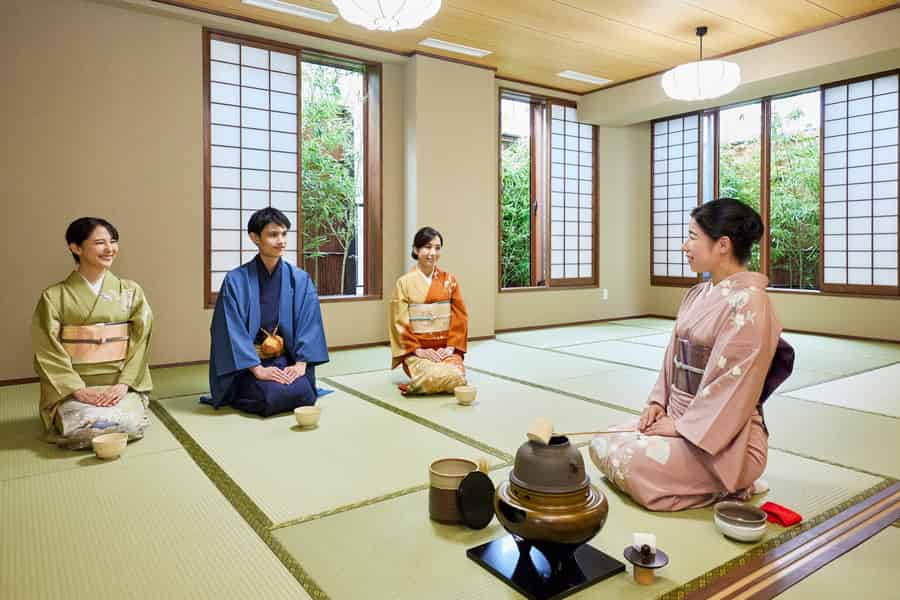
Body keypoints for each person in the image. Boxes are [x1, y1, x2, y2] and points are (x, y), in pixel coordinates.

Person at [590, 198, 792, 511]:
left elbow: (734, 386)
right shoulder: (697, 294)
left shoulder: (751, 304)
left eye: (693, 237)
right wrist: (658, 404)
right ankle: (697, 481)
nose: (685, 246)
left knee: (632, 461)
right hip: (678, 420)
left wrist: (682, 427)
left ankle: (732, 483)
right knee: (602, 442)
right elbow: (671, 359)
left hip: (726, 442)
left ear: (722, 245)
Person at [31, 217, 153, 449]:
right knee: (85, 425)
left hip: (119, 384)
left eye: (113, 241)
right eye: (100, 243)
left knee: (128, 423)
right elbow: (47, 349)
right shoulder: (54, 296)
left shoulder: (131, 291)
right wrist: (77, 389)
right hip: (73, 388)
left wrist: (123, 384)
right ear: (75, 248)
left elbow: (141, 342)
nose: (110, 249)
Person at [204, 207, 328, 417]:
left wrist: (300, 365)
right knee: (271, 396)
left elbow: (310, 323)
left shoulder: (299, 279)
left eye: (284, 234)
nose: (281, 241)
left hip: (286, 359)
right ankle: (243, 389)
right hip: (248, 364)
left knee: (305, 393)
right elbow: (230, 329)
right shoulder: (236, 280)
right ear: (255, 238)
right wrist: (258, 370)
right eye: (273, 235)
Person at [390, 227, 468, 395]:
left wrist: (451, 347)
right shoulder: (404, 283)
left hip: (445, 351)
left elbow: (459, 317)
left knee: (457, 377)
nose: (433, 253)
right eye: (427, 247)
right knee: (432, 375)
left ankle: (420, 384)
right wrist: (418, 350)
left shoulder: (450, 281)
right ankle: (422, 380)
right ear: (416, 250)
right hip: (417, 352)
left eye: (437, 248)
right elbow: (399, 322)